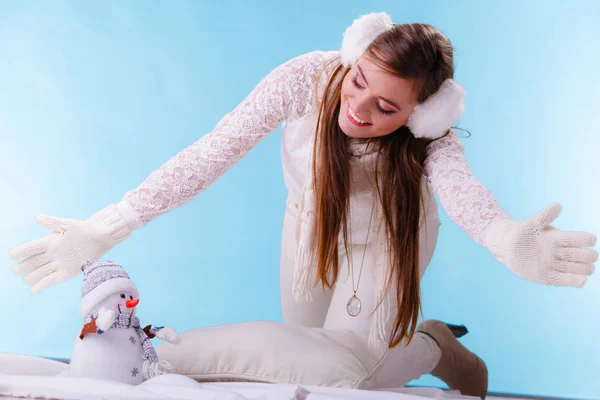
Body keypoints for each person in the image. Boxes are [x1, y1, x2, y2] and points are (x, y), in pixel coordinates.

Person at [9, 12, 597, 399]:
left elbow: (467, 197)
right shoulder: (306, 80)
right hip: (311, 226)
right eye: (360, 79)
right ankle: (415, 342)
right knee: (302, 363)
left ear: (419, 115)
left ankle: (435, 346)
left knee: (345, 375)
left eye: (387, 107)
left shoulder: (429, 138)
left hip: (389, 237)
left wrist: (505, 239)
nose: (360, 108)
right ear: (352, 56)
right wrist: (107, 227)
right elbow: (212, 153)